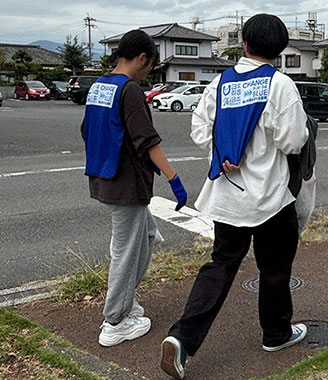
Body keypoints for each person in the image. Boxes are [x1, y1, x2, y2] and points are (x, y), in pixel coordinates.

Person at [160, 14, 309, 379]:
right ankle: (276, 333)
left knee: (221, 265)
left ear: (244, 44)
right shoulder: (280, 84)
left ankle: (182, 339)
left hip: (227, 196)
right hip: (271, 198)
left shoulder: (220, 84)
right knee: (274, 268)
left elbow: (199, 130)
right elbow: (292, 141)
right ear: (280, 49)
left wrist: (225, 149)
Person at [81, 29, 187, 347]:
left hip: (105, 177)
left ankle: (126, 301)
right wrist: (174, 180)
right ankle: (115, 321)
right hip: (127, 185)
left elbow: (89, 130)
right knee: (126, 252)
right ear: (141, 58)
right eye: (149, 67)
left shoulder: (100, 86)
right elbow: (147, 140)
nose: (147, 74)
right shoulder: (129, 91)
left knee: (147, 236)